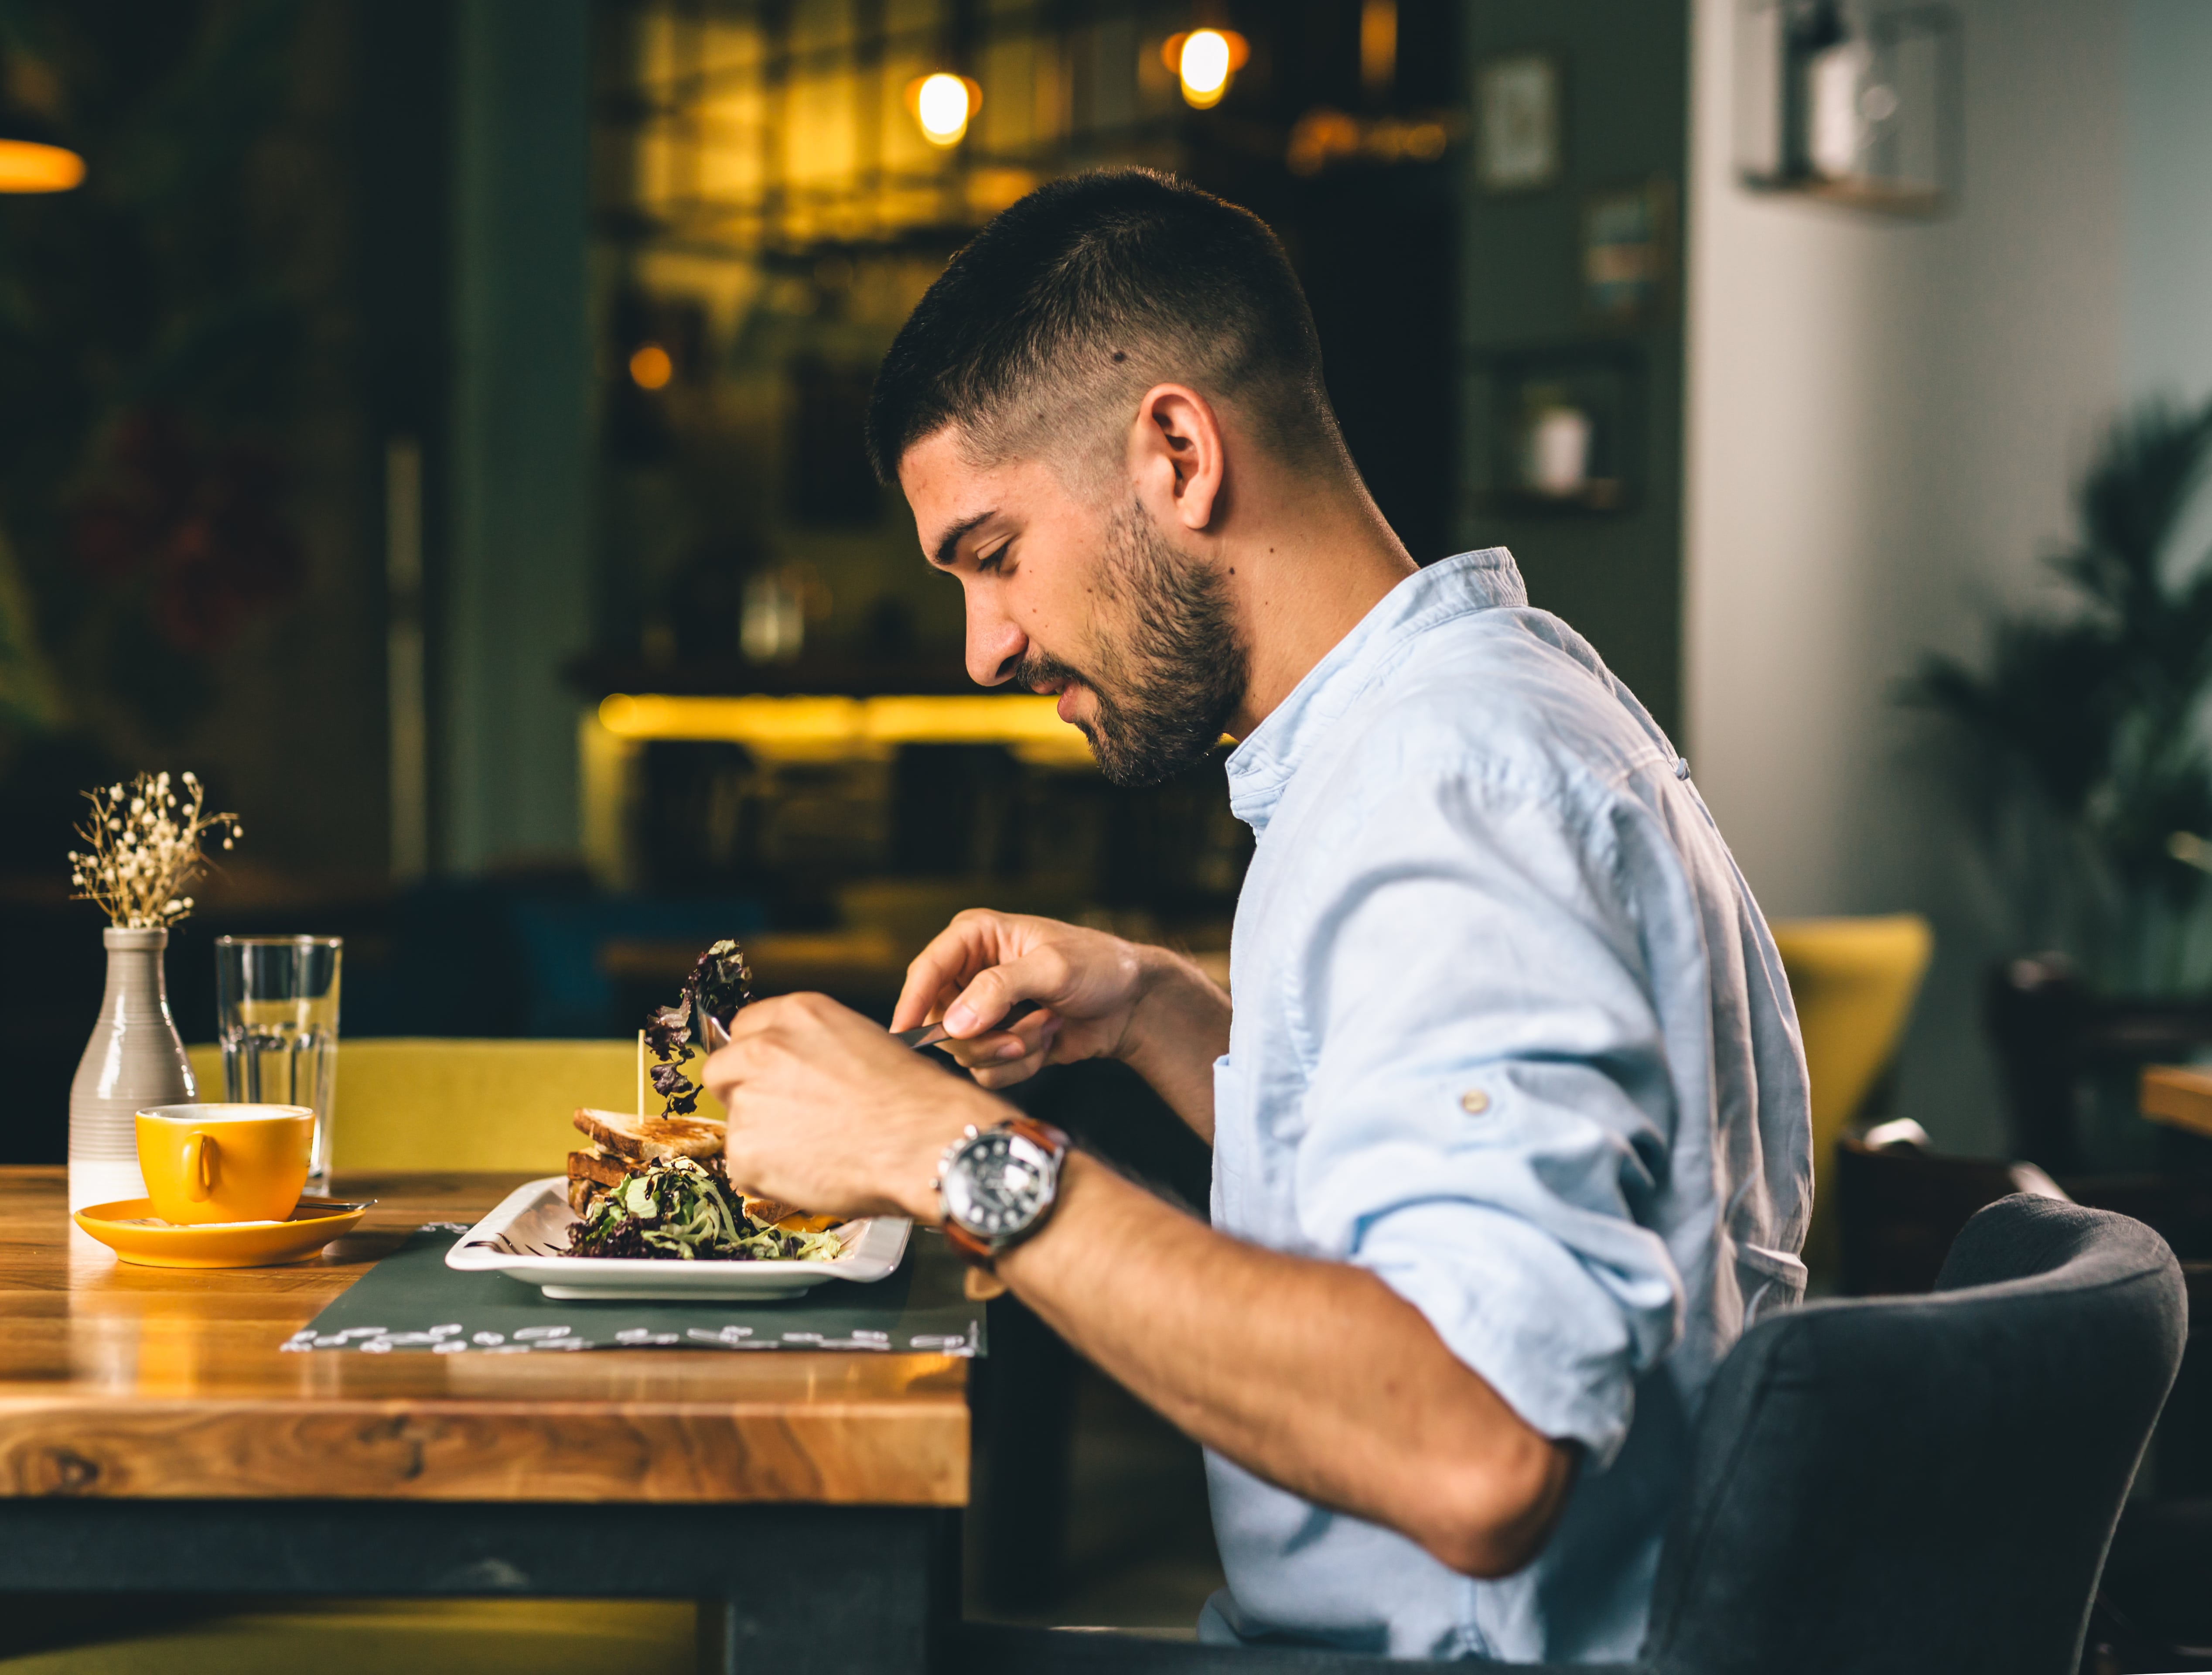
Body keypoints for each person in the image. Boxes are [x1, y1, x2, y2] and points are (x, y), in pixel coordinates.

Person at [702, 168, 1809, 1662]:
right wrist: (1172, 1015)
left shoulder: (1450, 789)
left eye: (994, 553)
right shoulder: (1457, 719)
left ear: (1175, 450)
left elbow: (1480, 1450)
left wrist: (944, 1152)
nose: (984, 646)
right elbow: (1436, 1199)